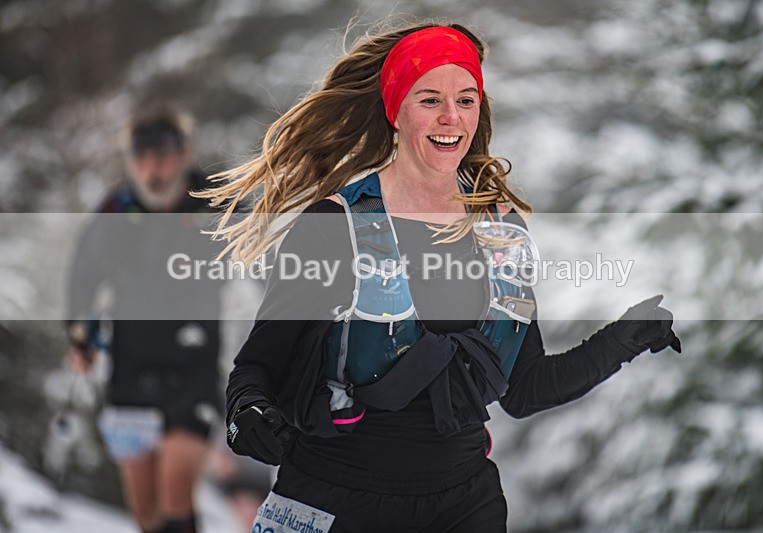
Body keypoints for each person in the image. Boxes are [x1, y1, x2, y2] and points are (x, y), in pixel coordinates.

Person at [199, 22, 682, 532]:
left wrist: (622, 340)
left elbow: (525, 389)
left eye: (465, 100)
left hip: (463, 505)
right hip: (337, 497)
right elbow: (257, 367)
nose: (451, 117)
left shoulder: (500, 231)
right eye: (430, 100)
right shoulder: (334, 224)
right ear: (396, 111)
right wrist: (249, 412)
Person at [66, 106, 224, 533]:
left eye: (163, 157)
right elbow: (83, 275)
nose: (153, 170)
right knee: (145, 514)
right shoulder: (118, 208)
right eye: (142, 158)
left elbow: (267, 256)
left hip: (193, 369)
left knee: (176, 498)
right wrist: (79, 337)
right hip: (131, 371)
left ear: (184, 154)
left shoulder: (216, 202)